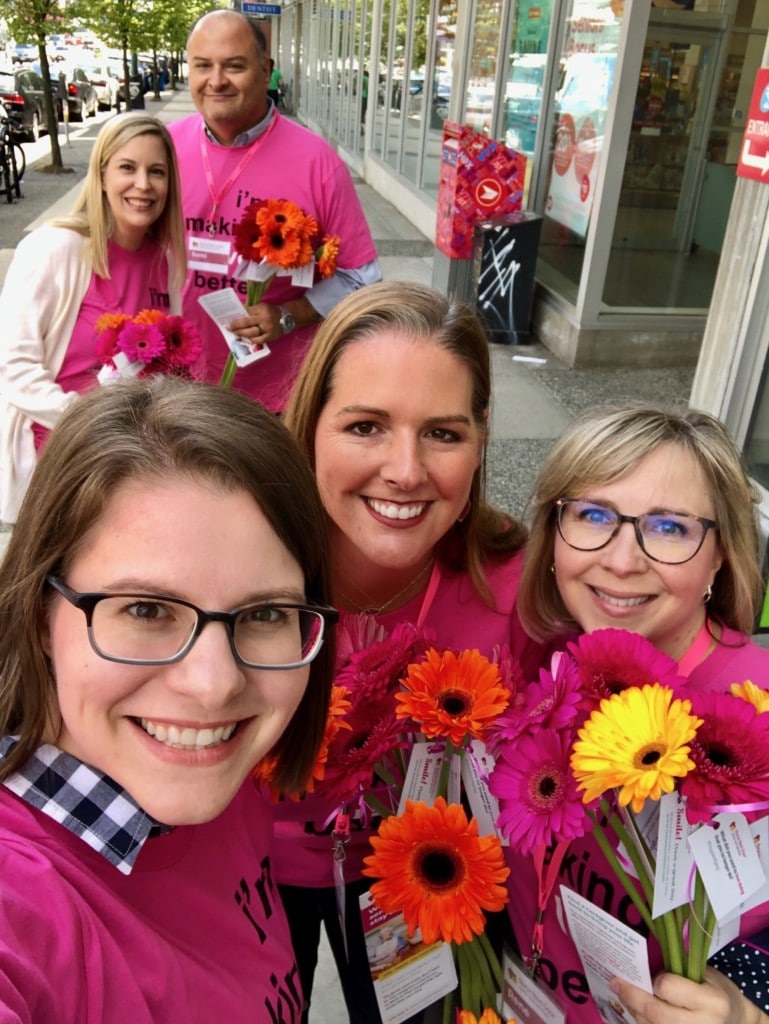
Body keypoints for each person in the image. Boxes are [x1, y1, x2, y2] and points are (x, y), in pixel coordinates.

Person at [0, 375, 338, 1022]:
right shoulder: (20, 906)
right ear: (41, 612)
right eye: (147, 609)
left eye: (264, 613)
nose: (213, 687)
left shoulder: (227, 780)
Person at [277, 281, 548, 1022]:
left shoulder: (523, 589)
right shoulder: (239, 568)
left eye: (442, 433)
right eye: (365, 426)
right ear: (309, 425)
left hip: (429, 881)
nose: (404, 469)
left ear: (481, 436)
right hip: (249, 878)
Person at [508, 403, 769, 1024]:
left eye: (670, 528)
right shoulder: (542, 664)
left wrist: (746, 1008)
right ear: (553, 539)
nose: (622, 561)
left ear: (721, 557)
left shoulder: (756, 711)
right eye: (594, 516)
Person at [168, 10, 382, 412]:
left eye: (234, 66)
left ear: (265, 71)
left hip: (278, 397)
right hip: (177, 390)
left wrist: (287, 314)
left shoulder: (316, 161)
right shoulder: (161, 149)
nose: (216, 80)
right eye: (203, 66)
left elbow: (363, 278)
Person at [0, 112, 187, 525]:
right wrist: (87, 421)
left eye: (156, 172)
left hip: (132, 464)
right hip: (57, 466)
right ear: (101, 175)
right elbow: (14, 368)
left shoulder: (165, 259)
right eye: (127, 168)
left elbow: (165, 364)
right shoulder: (55, 248)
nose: (143, 185)